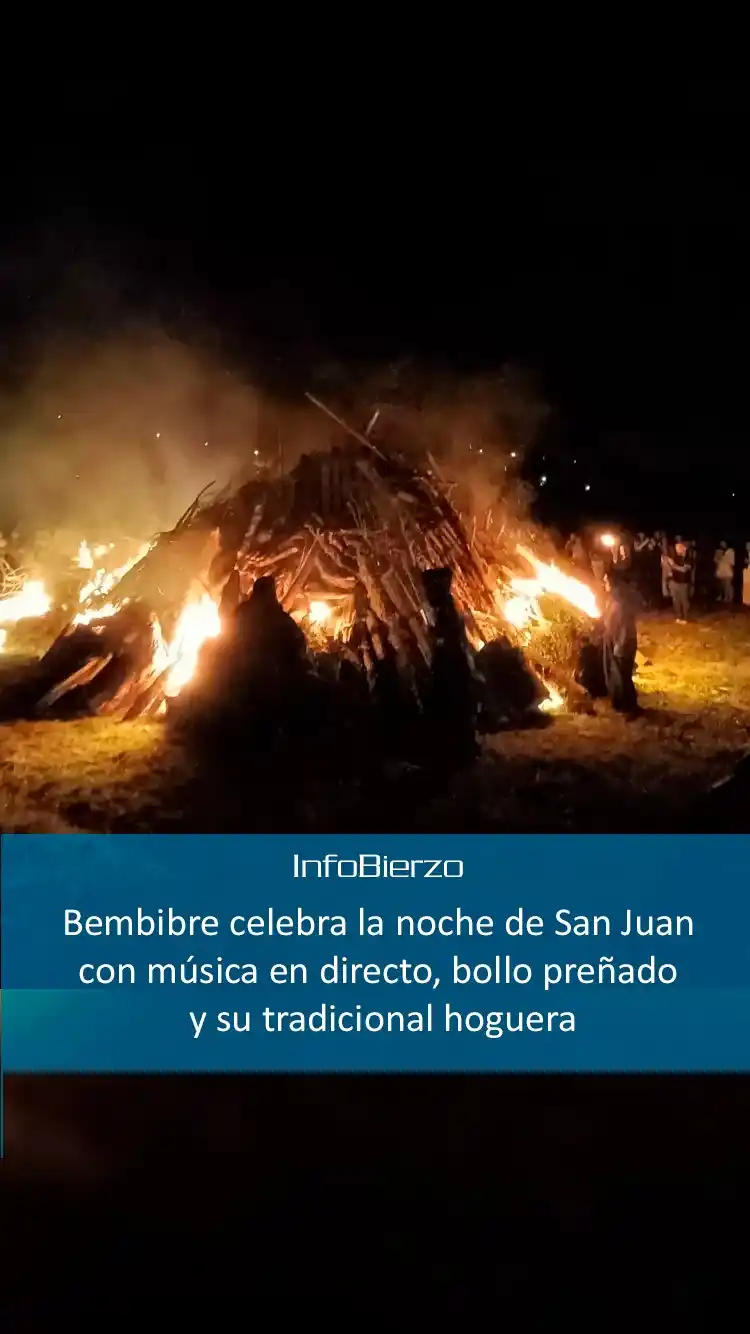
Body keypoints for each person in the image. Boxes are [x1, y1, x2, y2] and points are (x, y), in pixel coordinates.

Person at [602, 571, 639, 715]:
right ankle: (624, 705)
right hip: (621, 643)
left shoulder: (619, 602)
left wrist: (618, 646)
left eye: (606, 581)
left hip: (622, 645)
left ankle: (628, 708)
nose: (604, 584)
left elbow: (619, 626)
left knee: (622, 677)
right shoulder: (616, 599)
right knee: (621, 676)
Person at [668, 541, 692, 622]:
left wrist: (673, 565)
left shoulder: (688, 558)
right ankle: (678, 616)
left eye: (678, 548)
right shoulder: (676, 557)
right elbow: (673, 569)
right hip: (675, 581)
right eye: (676, 548)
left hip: (684, 583)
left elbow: (684, 569)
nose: (677, 550)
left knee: (684, 600)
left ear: (684, 548)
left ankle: (686, 617)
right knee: (676, 600)